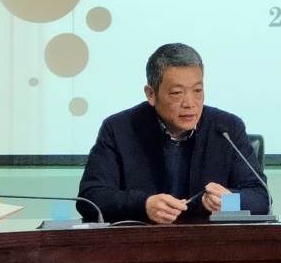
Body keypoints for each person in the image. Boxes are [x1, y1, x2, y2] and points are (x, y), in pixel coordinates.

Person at [78, 43, 268, 224]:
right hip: (142, 242)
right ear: (151, 94)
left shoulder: (227, 128)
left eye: (198, 90)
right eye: (177, 93)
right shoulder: (119, 129)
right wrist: (143, 205)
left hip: (211, 242)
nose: (190, 103)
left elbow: (260, 197)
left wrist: (227, 201)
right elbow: (90, 198)